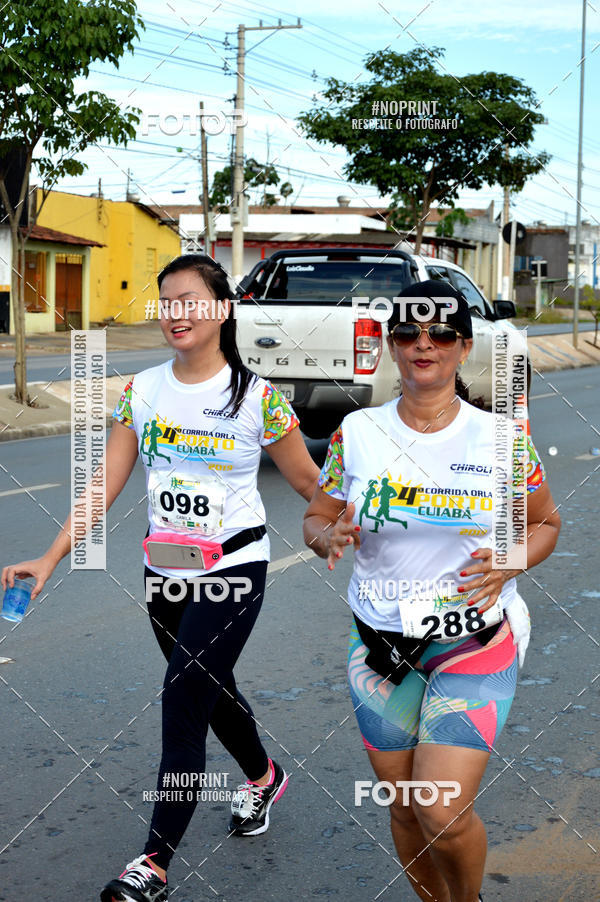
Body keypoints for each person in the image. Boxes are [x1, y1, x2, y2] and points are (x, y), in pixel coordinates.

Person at [2, 254, 319, 902]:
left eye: (190, 300)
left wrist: (349, 526)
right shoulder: (142, 392)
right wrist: (51, 556)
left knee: (183, 698)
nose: (176, 312)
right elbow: (107, 481)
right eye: (167, 301)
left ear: (221, 309)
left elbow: (313, 484)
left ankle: (152, 866)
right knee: (210, 690)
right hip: (164, 573)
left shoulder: (259, 398)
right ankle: (262, 778)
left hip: (233, 571)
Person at [303, 281, 560, 902]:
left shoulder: (500, 439)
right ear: (392, 347)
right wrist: (326, 536)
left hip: (470, 641)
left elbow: (546, 524)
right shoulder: (356, 433)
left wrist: (510, 560)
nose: (425, 344)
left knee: (441, 811)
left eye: (440, 332)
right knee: (405, 811)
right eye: (409, 333)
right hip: (380, 650)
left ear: (463, 347)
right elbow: (316, 517)